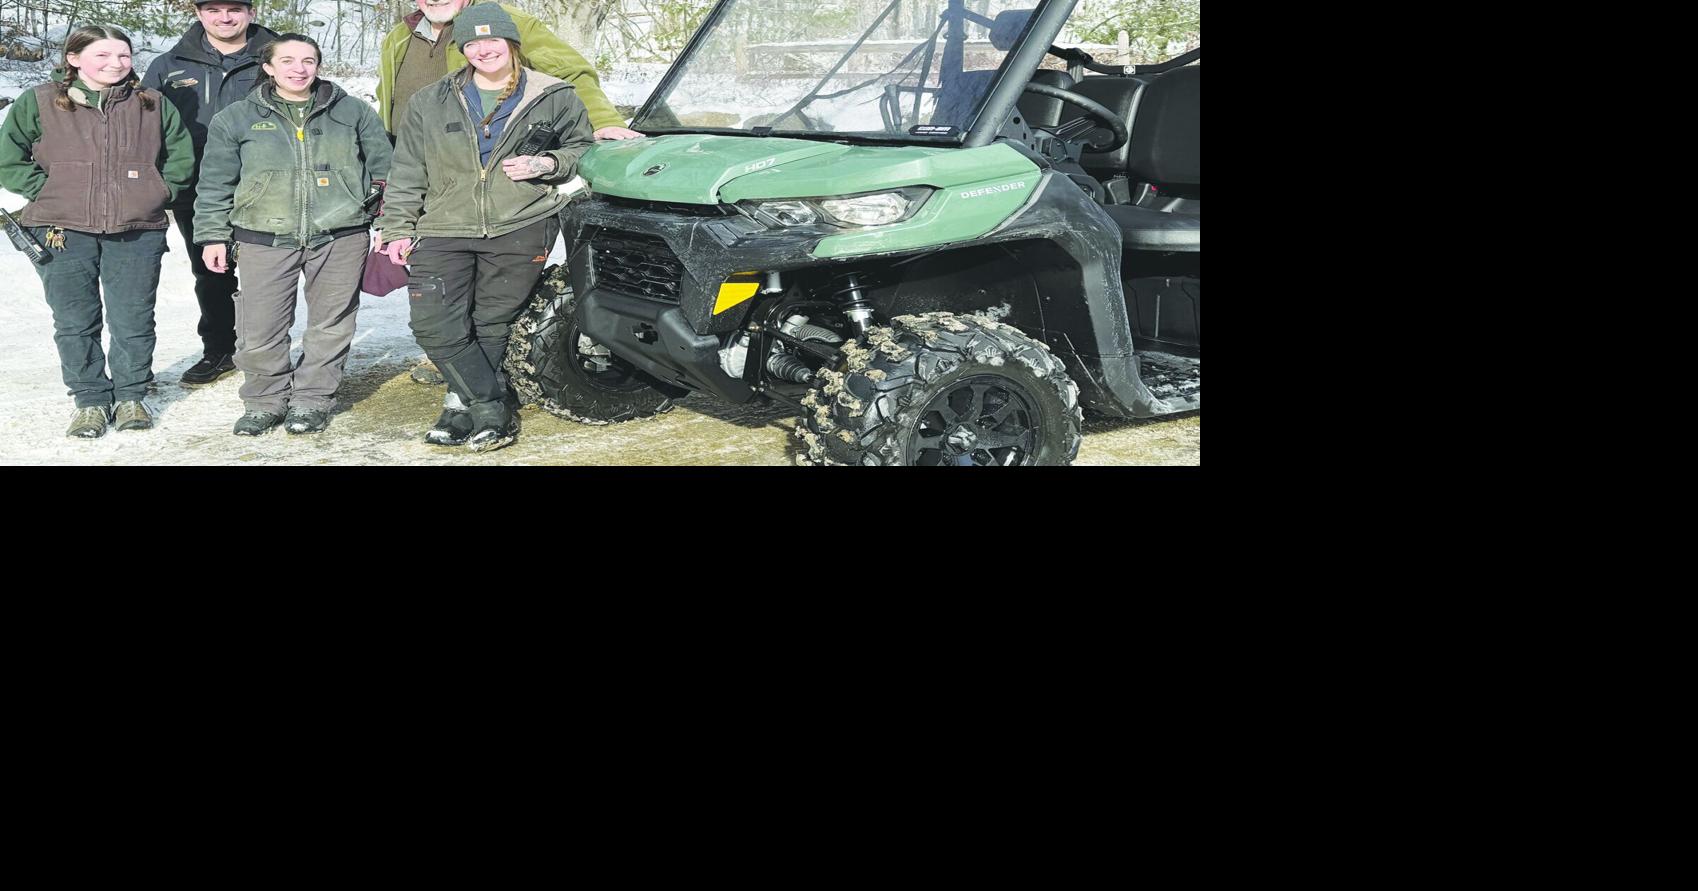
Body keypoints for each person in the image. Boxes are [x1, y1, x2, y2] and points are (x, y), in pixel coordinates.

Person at [376, 0, 639, 389]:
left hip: (492, 179)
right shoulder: (401, 34)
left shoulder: (507, 22)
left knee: (492, 296)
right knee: (441, 288)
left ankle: (473, 378)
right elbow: (389, 96)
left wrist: (603, 121)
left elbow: (570, 71)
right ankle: (460, 360)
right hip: (427, 169)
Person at [0, 25, 195, 438]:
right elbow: (9, 157)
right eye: (102, 55)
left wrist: (156, 191)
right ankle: (89, 400)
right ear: (74, 59)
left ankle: (130, 396)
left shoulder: (152, 103)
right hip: (60, 228)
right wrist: (47, 189)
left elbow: (180, 156)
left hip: (137, 228)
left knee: (133, 318)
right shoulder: (39, 102)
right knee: (75, 320)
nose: (115, 64)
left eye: (123, 56)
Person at [193, 33, 392, 436]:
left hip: (340, 234)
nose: (298, 69)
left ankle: (313, 399)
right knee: (259, 325)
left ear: (318, 65)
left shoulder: (352, 112)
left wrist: (385, 219)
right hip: (262, 237)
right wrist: (213, 234)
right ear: (268, 67)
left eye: (307, 60)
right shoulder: (235, 117)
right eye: (287, 61)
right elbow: (214, 182)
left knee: (331, 323)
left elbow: (386, 169)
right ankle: (265, 400)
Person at [143, 0, 279, 387]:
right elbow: (144, 126)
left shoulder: (277, 56)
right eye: (213, 9)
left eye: (234, 8)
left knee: (270, 274)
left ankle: (267, 350)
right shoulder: (169, 65)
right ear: (199, 13)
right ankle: (219, 348)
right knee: (211, 270)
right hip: (198, 187)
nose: (225, 17)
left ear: (251, 12)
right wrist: (164, 181)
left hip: (269, 184)